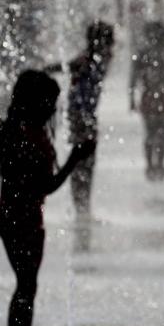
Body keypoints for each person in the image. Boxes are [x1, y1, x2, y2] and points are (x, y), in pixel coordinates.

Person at [0, 70, 95, 326]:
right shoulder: (17, 133)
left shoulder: (22, 130)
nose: (53, 108)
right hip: (18, 217)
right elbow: (44, 186)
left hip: (25, 215)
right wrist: (75, 159)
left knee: (27, 287)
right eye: (49, 101)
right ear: (33, 101)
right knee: (26, 287)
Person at [66, 21, 115, 218]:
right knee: (82, 162)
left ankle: (83, 208)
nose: (112, 47)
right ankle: (81, 209)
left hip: (84, 116)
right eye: (109, 42)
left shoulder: (95, 59)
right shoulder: (88, 60)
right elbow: (67, 66)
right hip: (81, 117)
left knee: (84, 162)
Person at [130, 21, 164, 181]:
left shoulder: (141, 55)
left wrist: (131, 100)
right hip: (161, 98)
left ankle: (151, 166)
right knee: (162, 132)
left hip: (148, 98)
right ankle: (158, 165)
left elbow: (133, 79)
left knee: (150, 133)